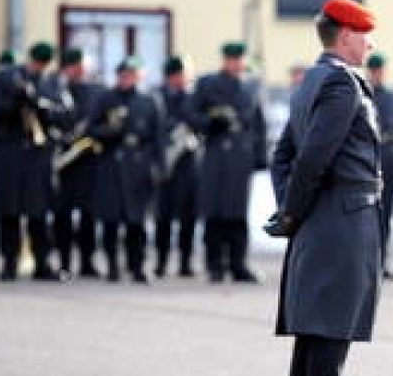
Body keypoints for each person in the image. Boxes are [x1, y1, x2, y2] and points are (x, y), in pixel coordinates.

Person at [268, 0, 387, 376]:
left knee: (315, 332)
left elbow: (284, 157)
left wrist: (292, 210)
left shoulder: (311, 80)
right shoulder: (341, 83)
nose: (370, 43)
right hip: (344, 214)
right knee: (331, 330)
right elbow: (313, 156)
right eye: (364, 35)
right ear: (344, 37)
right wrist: (294, 212)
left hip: (326, 214)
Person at [187, 41, 268, 283]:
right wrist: (210, 122)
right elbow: (191, 114)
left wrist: (260, 156)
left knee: (238, 210)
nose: (235, 64)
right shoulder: (207, 83)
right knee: (214, 209)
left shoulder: (251, 86)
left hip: (241, 155)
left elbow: (258, 124)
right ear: (224, 60)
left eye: (239, 59)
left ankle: (238, 263)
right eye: (231, 59)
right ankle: (215, 264)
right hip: (215, 151)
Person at [0, 41, 61, 281]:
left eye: (44, 64)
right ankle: (10, 262)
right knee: (10, 213)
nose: (40, 67)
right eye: (38, 62)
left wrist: (39, 104)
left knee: (38, 213)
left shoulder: (48, 83)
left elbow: (61, 114)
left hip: (37, 158)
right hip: (9, 157)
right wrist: (18, 99)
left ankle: (42, 262)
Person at [86, 57, 162, 284]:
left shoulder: (149, 101)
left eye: (131, 74)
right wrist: (111, 129)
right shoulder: (105, 98)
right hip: (111, 165)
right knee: (111, 222)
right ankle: (112, 267)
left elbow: (158, 137)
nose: (127, 78)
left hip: (139, 167)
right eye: (123, 75)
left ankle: (138, 267)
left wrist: (159, 167)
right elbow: (91, 129)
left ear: (140, 76)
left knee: (137, 224)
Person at [44, 47, 103, 279]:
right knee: (62, 216)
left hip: (88, 159)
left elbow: (97, 119)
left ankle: (87, 262)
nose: (78, 71)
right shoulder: (54, 89)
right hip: (63, 161)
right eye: (74, 67)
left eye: (80, 67)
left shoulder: (95, 90)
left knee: (89, 215)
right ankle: (65, 262)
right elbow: (48, 117)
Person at [153, 56, 201, 278]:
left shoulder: (194, 96)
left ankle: (185, 262)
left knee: (187, 216)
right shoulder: (158, 96)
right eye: (180, 75)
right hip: (165, 161)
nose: (183, 79)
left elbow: (200, 121)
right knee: (163, 216)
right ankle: (161, 261)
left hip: (188, 163)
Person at [365, 52, 393, 280]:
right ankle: (368, 261)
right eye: (375, 71)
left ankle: (382, 261)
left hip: (388, 158)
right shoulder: (363, 93)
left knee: (386, 213)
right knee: (368, 215)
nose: (379, 75)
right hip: (369, 158)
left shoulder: (392, 96)